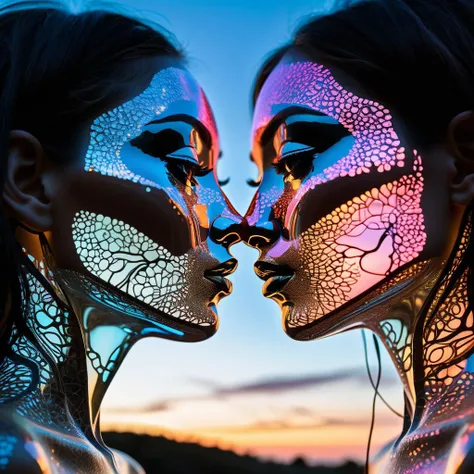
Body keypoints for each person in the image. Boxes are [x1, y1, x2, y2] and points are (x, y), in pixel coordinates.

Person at [0, 2, 239, 472]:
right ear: (29, 181)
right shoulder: (17, 458)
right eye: (183, 167)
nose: (232, 219)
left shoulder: (116, 466)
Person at [240, 0, 474, 472]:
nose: (252, 223)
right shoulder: (410, 452)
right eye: (256, 180)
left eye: (297, 162)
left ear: (464, 160)